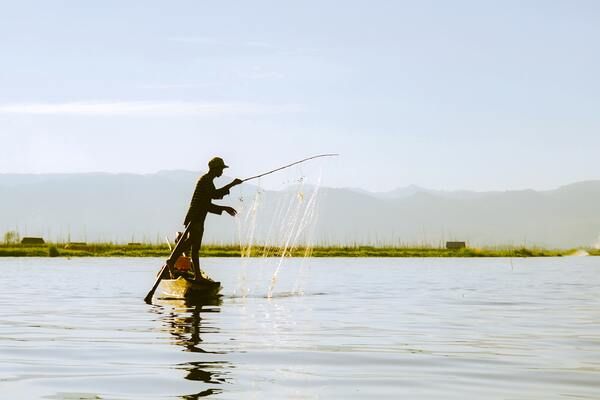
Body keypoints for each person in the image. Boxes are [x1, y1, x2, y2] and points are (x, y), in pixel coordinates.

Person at [168, 157, 242, 281]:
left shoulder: (208, 181)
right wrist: (232, 186)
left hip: (199, 216)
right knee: (192, 243)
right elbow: (209, 200)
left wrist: (231, 187)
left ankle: (196, 275)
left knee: (195, 247)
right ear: (215, 169)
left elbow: (214, 196)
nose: (222, 172)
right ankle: (172, 261)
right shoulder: (205, 181)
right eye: (221, 169)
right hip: (196, 216)